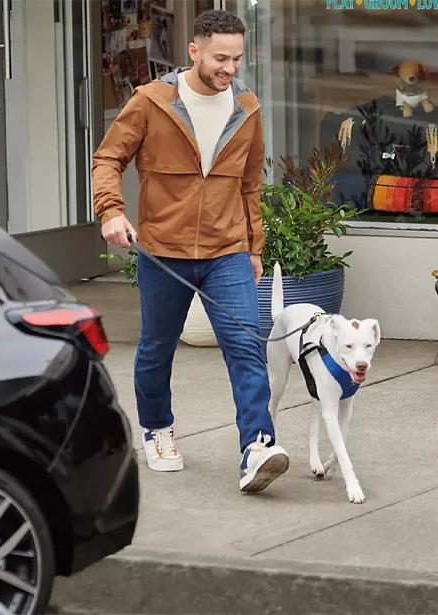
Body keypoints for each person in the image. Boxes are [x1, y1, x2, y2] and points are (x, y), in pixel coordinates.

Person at [91, 10, 289, 493]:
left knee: (246, 345)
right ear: (194, 51)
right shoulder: (151, 101)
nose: (230, 68)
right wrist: (111, 211)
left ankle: (258, 446)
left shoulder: (246, 106)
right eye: (220, 57)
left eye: (237, 58)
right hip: (164, 250)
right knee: (158, 348)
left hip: (228, 250)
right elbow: (107, 159)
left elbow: (249, 186)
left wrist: (254, 248)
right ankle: (158, 430)